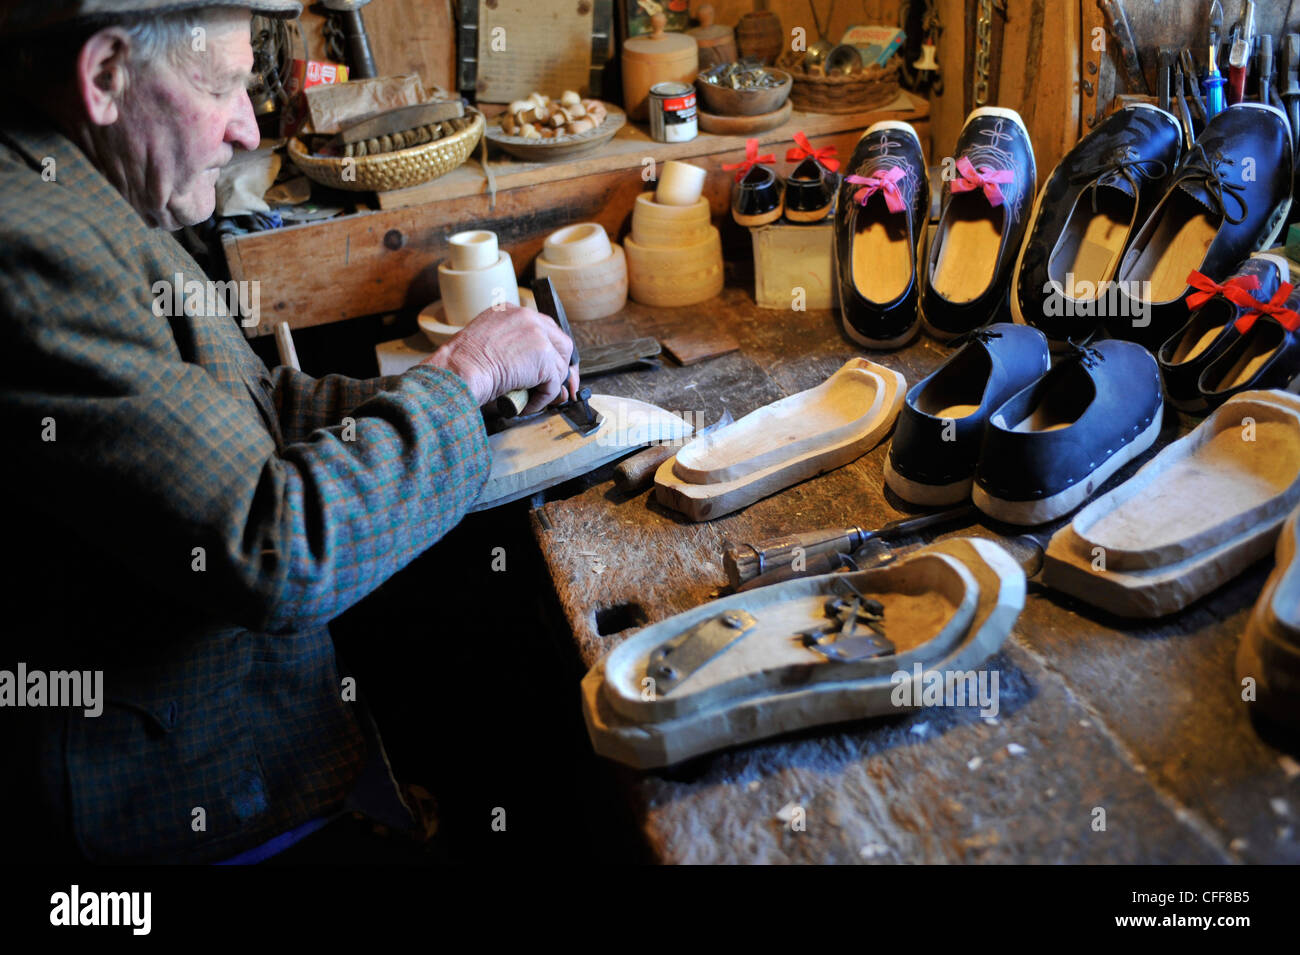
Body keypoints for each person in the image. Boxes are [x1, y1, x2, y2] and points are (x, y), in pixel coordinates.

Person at [0, 0, 576, 863]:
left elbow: (243, 411)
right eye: (226, 86)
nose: (246, 129)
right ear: (106, 75)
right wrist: (463, 380)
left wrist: (458, 392)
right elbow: (277, 546)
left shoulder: (84, 184)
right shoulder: (31, 246)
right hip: (170, 815)